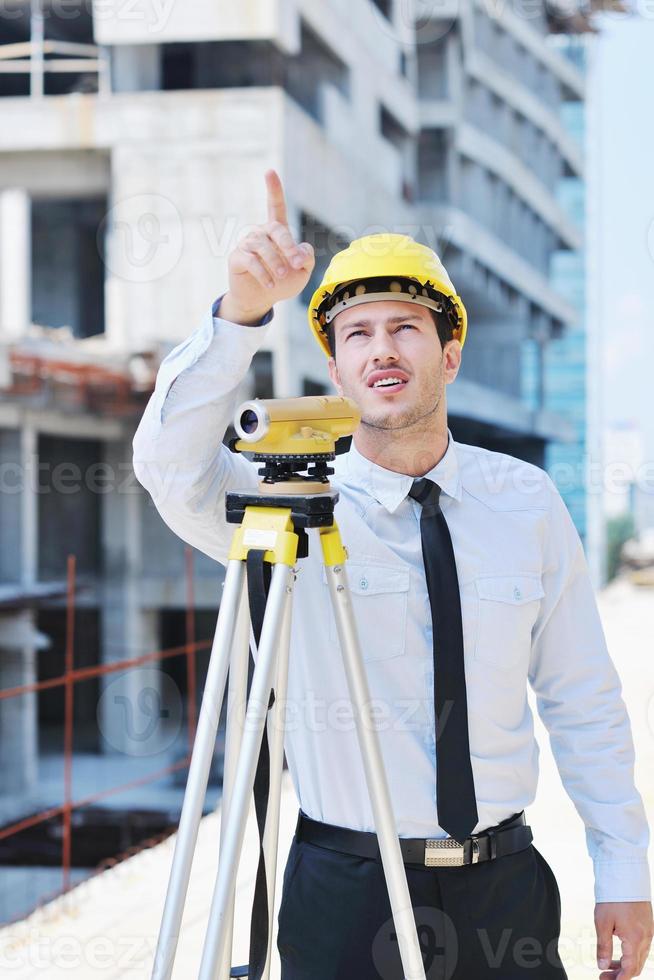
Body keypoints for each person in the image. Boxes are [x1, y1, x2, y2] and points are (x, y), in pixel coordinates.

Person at [132, 170, 653, 979]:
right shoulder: (289, 508)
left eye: (405, 328)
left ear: (448, 352)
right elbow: (167, 466)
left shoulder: (525, 500)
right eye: (357, 334)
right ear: (337, 371)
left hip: (504, 888)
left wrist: (623, 870)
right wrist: (240, 315)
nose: (381, 349)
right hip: (347, 892)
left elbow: (582, 697)